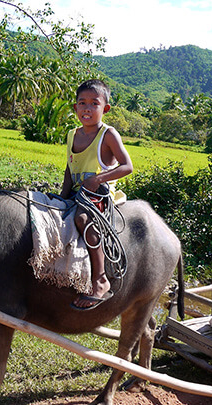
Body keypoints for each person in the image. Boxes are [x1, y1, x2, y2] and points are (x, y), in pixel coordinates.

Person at [60, 79, 133, 310]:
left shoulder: (108, 134)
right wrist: (62, 195)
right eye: (82, 103)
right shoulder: (73, 134)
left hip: (99, 192)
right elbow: (70, 167)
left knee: (82, 219)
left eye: (94, 103)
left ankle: (100, 280)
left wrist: (98, 179)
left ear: (105, 108)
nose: (87, 109)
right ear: (75, 108)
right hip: (77, 191)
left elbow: (127, 166)